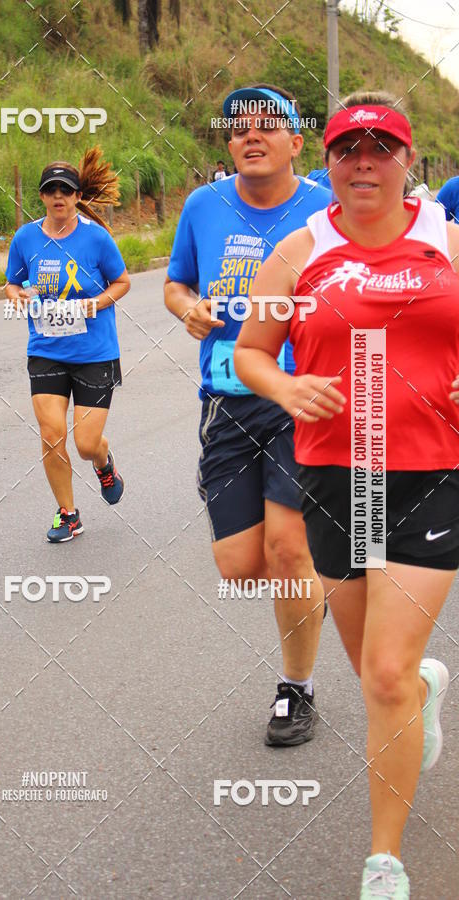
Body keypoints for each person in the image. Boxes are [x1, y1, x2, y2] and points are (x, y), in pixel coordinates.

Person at [234, 90, 459, 898]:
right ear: (327, 161)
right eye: (347, 148)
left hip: (433, 475)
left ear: (408, 159)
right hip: (337, 476)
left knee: (387, 674)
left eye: (381, 146)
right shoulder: (299, 252)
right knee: (377, 672)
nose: (364, 160)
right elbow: (252, 352)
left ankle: (384, 859)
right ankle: (426, 691)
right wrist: (288, 391)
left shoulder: (449, 244)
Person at [165, 84, 332, 747]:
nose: (250, 135)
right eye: (237, 129)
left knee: (289, 550)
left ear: (298, 140)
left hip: (302, 400)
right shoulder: (204, 206)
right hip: (227, 404)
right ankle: (328, 580)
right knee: (240, 564)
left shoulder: (327, 209)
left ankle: (297, 687)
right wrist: (188, 310)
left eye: (268, 125)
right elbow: (177, 282)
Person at [5, 147, 131, 542]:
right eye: (51, 190)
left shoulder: (97, 239)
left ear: (78, 196)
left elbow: (123, 281)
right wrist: (16, 295)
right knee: (51, 433)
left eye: (66, 189)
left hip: (95, 354)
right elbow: (12, 281)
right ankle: (68, 514)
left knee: (85, 442)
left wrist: (95, 303)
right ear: (42, 196)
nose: (58, 196)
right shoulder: (25, 238)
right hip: (46, 350)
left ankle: (103, 461)